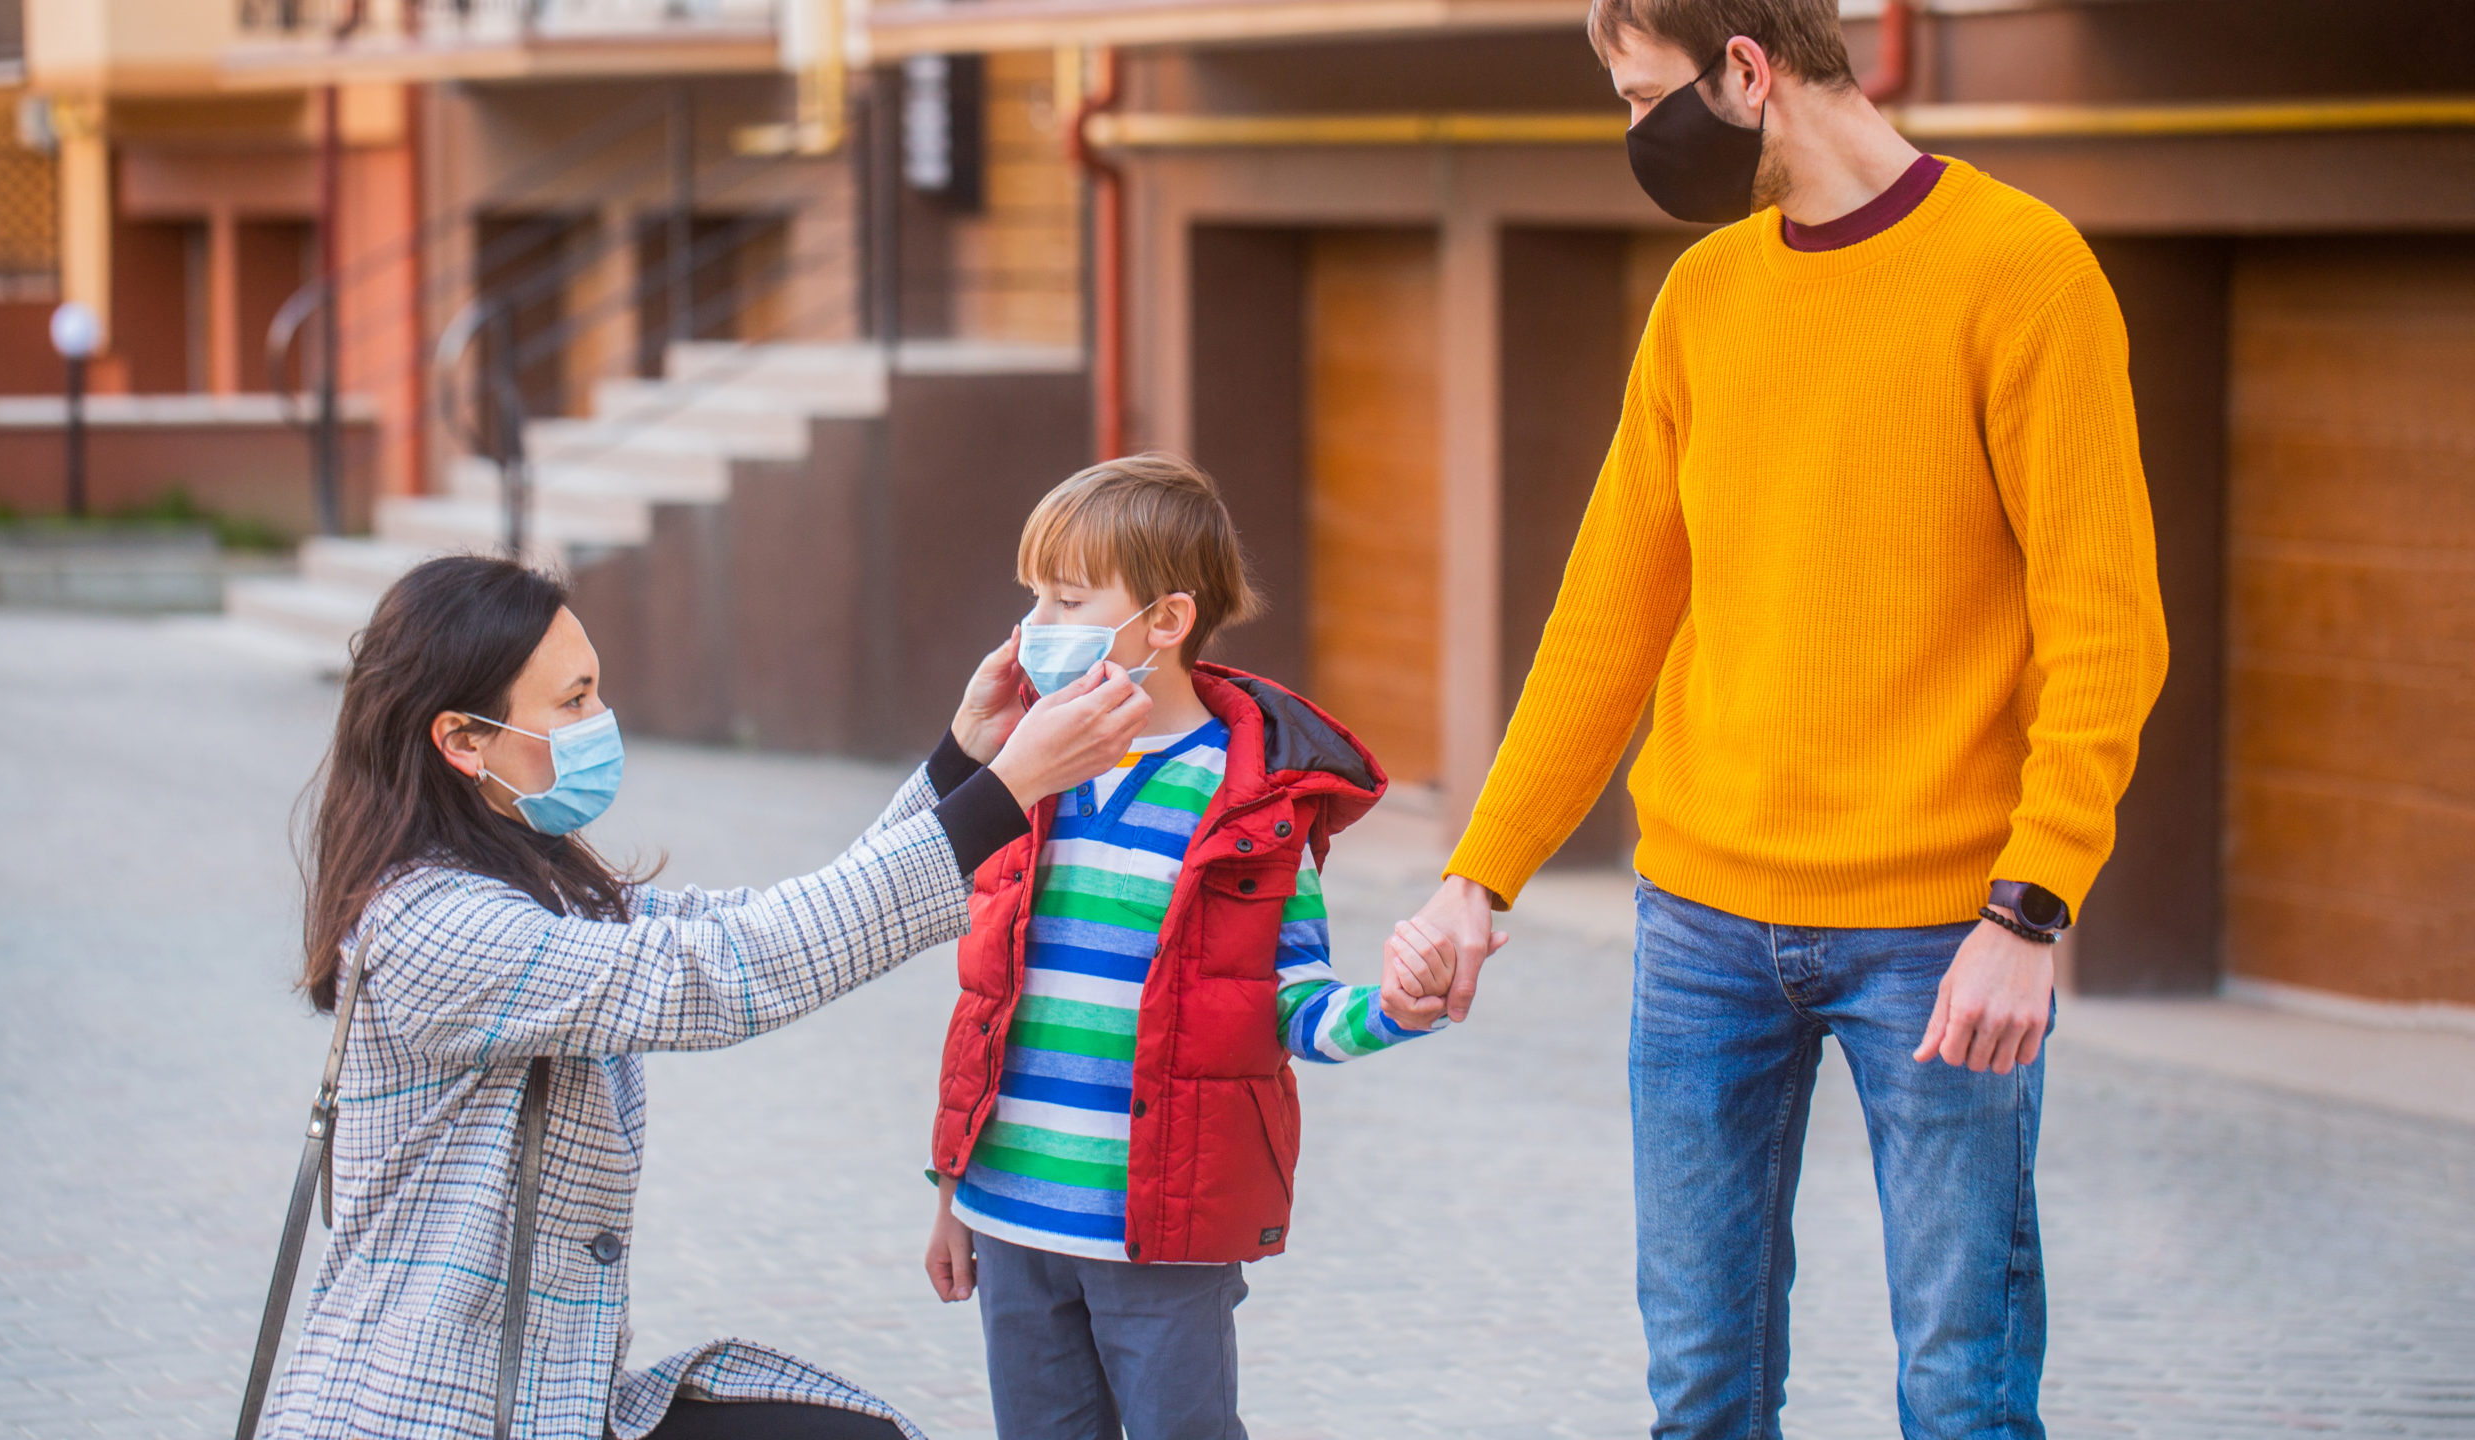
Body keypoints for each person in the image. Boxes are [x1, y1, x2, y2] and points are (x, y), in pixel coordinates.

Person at [1383, 1, 2169, 1436]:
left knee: (1963, 1390)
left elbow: (2108, 629)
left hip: (1942, 940)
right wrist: (1475, 875)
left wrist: (2032, 912)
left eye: (1640, 96)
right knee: (1701, 1390)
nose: (1635, 136)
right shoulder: (1704, 300)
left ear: (1747, 71)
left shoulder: (2022, 273)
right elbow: (1606, 624)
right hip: (1701, 932)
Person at [268, 554, 1150, 1439]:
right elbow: (725, 971)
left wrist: (963, 759)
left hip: (545, 1400)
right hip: (426, 1411)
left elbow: (762, 921)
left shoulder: (529, 885)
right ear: (463, 741)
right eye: (572, 702)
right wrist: (1008, 794)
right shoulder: (435, 926)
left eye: (597, 693)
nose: (601, 722)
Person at [921, 455, 1481, 1440]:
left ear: (1166, 622)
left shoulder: (1250, 811)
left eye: (1065, 601)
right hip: (1011, 1221)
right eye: (1031, 601)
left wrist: (1394, 1009)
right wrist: (951, 1191)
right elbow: (983, 1000)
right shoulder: (1027, 777)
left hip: (1162, 1237)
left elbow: (1291, 1006)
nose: (1032, 632)